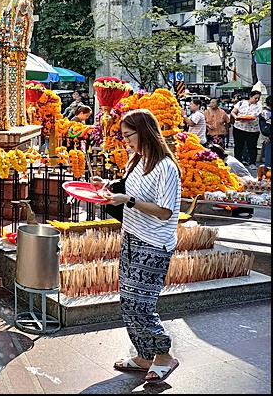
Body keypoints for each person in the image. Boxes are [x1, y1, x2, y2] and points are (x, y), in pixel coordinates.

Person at [90, 109, 181, 384]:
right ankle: (144, 354)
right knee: (128, 301)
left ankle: (163, 354)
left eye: (128, 135)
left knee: (141, 304)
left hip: (154, 243)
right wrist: (105, 187)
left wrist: (127, 200)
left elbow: (165, 212)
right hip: (131, 236)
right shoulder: (136, 160)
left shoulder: (166, 166)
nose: (125, 140)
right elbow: (133, 192)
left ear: (143, 132)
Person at [230, 90, 263, 167]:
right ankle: (238, 161)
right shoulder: (241, 103)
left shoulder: (259, 106)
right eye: (255, 98)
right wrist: (236, 117)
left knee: (252, 146)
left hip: (252, 129)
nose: (257, 100)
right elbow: (233, 112)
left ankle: (252, 162)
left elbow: (256, 115)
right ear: (250, 97)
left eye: (258, 98)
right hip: (239, 127)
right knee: (238, 145)